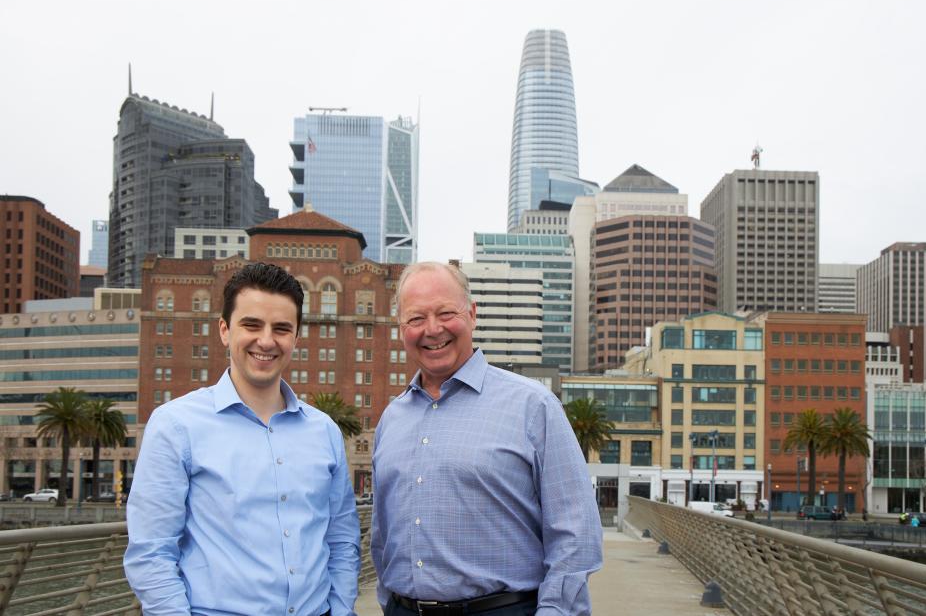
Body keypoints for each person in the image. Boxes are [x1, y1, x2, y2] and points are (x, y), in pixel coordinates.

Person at [124, 263, 360, 616]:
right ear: (224, 329)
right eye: (251, 325)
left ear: (296, 338)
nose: (266, 341)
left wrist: (341, 611)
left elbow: (341, 539)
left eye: (281, 328)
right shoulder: (176, 425)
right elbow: (151, 553)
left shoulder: (323, 430)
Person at [370, 262, 602, 616]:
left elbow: (575, 531)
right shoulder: (392, 419)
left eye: (446, 313)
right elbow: (381, 534)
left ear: (472, 314)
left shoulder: (532, 406)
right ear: (401, 327)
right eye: (416, 319)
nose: (433, 330)